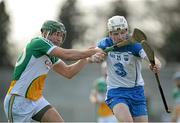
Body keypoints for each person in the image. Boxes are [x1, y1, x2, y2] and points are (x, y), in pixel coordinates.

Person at [3, 20, 106, 122]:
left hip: (36, 99)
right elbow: (67, 55)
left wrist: (86, 59)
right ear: (46, 33)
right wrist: (93, 51)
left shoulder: (50, 55)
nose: (59, 39)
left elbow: (68, 72)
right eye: (56, 34)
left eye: (61, 36)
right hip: (19, 99)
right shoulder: (39, 42)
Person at [95, 15, 161, 122]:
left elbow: (152, 59)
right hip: (116, 92)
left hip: (137, 92)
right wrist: (96, 57)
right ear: (110, 34)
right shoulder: (105, 44)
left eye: (123, 32)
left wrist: (156, 65)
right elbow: (96, 53)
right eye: (116, 34)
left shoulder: (135, 45)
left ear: (127, 31)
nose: (120, 37)